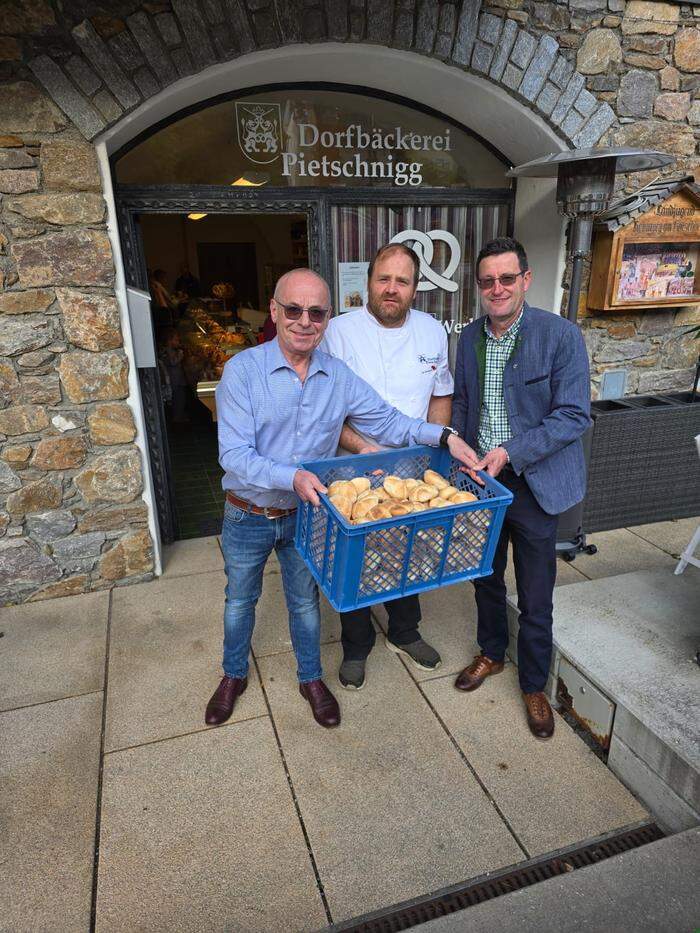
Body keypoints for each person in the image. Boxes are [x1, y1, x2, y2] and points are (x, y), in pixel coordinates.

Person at [205, 268, 481, 731]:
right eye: (293, 310)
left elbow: (390, 422)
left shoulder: (339, 375)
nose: (304, 321)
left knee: (304, 602)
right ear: (275, 311)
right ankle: (233, 676)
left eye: (316, 312)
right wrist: (291, 475)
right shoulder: (242, 371)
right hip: (248, 513)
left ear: (328, 318)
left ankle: (311, 680)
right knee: (240, 601)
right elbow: (233, 456)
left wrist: (446, 435)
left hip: (309, 514)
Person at [451, 236, 591, 739]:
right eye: (487, 280)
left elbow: (574, 415)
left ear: (525, 280)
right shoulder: (468, 338)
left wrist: (511, 452)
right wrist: (459, 451)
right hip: (482, 485)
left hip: (534, 484)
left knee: (536, 593)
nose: (497, 288)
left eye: (507, 278)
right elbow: (466, 406)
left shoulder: (560, 336)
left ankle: (533, 683)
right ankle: (491, 653)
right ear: (479, 287)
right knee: (485, 578)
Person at [321, 243, 453, 690]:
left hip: (412, 466)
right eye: (384, 278)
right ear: (368, 282)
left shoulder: (433, 332)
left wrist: (434, 453)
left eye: (402, 280)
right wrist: (364, 450)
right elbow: (326, 410)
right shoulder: (337, 332)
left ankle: (404, 631)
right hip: (350, 467)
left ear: (416, 288)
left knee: (409, 549)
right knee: (354, 556)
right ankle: (357, 644)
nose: (391, 289)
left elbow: (440, 393)